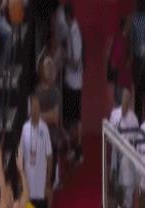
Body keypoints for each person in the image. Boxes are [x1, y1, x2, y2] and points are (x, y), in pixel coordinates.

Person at [20, 94, 53, 208]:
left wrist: (48, 183)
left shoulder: (44, 129)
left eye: (38, 107)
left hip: (41, 189)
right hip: (29, 192)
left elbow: (49, 157)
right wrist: (21, 181)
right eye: (33, 107)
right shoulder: (24, 129)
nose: (36, 110)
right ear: (29, 109)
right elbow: (21, 156)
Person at [36, 56, 62, 184]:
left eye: (52, 68)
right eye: (47, 67)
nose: (50, 71)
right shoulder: (37, 91)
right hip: (38, 139)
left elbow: (55, 117)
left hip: (52, 139)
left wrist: (40, 115)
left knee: (49, 179)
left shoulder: (56, 93)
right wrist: (47, 115)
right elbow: (33, 116)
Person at [63, 3, 83, 162]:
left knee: (75, 119)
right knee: (71, 118)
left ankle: (78, 150)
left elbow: (76, 63)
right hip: (70, 81)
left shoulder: (75, 34)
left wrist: (64, 58)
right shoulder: (70, 30)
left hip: (74, 83)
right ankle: (72, 148)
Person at [130, 0, 145, 120]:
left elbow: (132, 39)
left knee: (138, 93)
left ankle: (138, 118)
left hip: (138, 59)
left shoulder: (134, 18)